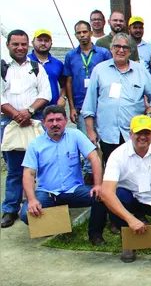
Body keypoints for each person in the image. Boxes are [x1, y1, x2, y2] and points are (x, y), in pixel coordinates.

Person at [101, 115, 151, 262]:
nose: (143, 137)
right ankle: (128, 241)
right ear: (130, 134)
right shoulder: (117, 155)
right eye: (138, 133)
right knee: (116, 197)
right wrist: (130, 219)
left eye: (147, 133)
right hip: (130, 198)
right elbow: (106, 192)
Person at [19, 105, 105, 244]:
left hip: (74, 190)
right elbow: (28, 173)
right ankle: (59, 224)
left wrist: (98, 185)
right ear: (43, 122)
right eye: (50, 120)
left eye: (58, 119)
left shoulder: (75, 135)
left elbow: (94, 157)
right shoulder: (35, 144)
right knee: (25, 214)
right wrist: (32, 199)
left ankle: (95, 235)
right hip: (47, 192)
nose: (55, 124)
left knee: (101, 197)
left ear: (65, 120)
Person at [83, 33, 151, 167]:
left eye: (125, 47)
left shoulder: (140, 70)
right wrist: (90, 131)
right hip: (108, 134)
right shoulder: (99, 70)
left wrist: (148, 114)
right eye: (117, 46)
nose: (121, 50)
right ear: (111, 49)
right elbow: (89, 104)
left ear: (130, 51)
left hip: (135, 134)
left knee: (136, 169)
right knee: (113, 171)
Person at [1, 30, 52, 227]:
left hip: (34, 121)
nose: (20, 48)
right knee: (14, 169)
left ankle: (40, 204)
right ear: (8, 45)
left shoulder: (36, 67)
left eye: (23, 44)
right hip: (10, 123)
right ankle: (10, 209)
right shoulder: (2, 68)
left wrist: (29, 111)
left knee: (39, 166)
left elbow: (45, 93)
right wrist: (16, 114)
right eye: (16, 44)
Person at [64, 20, 112, 179]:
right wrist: (71, 107)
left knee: (106, 143)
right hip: (81, 108)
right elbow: (68, 82)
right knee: (88, 144)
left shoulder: (103, 53)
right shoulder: (71, 55)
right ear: (75, 35)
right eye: (79, 33)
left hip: (103, 107)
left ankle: (109, 176)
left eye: (85, 32)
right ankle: (91, 178)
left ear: (91, 32)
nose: (82, 35)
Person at [29, 29, 66, 107]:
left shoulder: (58, 64)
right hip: (29, 109)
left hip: (52, 109)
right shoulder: (26, 61)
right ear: (33, 42)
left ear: (51, 44)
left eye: (46, 40)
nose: (43, 43)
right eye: (40, 40)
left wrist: (62, 97)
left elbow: (64, 85)